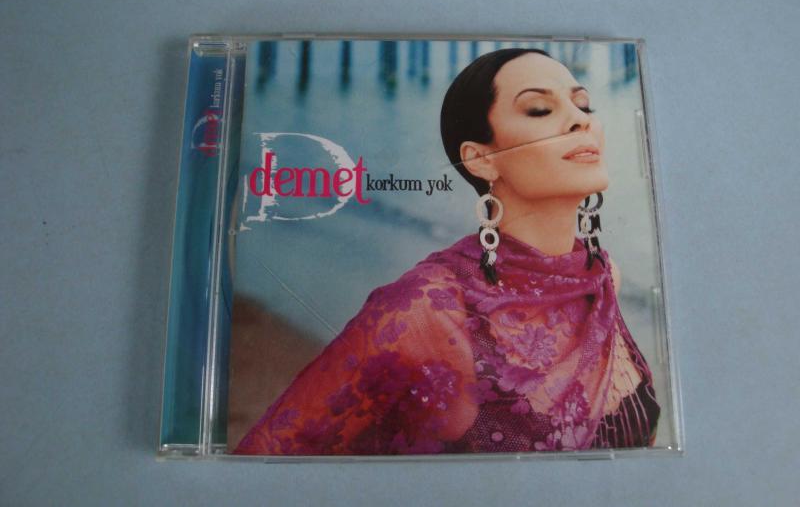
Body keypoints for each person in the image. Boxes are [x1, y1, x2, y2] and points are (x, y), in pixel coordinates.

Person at [234, 48, 660, 455]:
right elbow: (269, 451)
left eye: (584, 105)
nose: (581, 121)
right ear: (481, 160)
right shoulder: (430, 307)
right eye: (539, 109)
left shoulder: (603, 277)